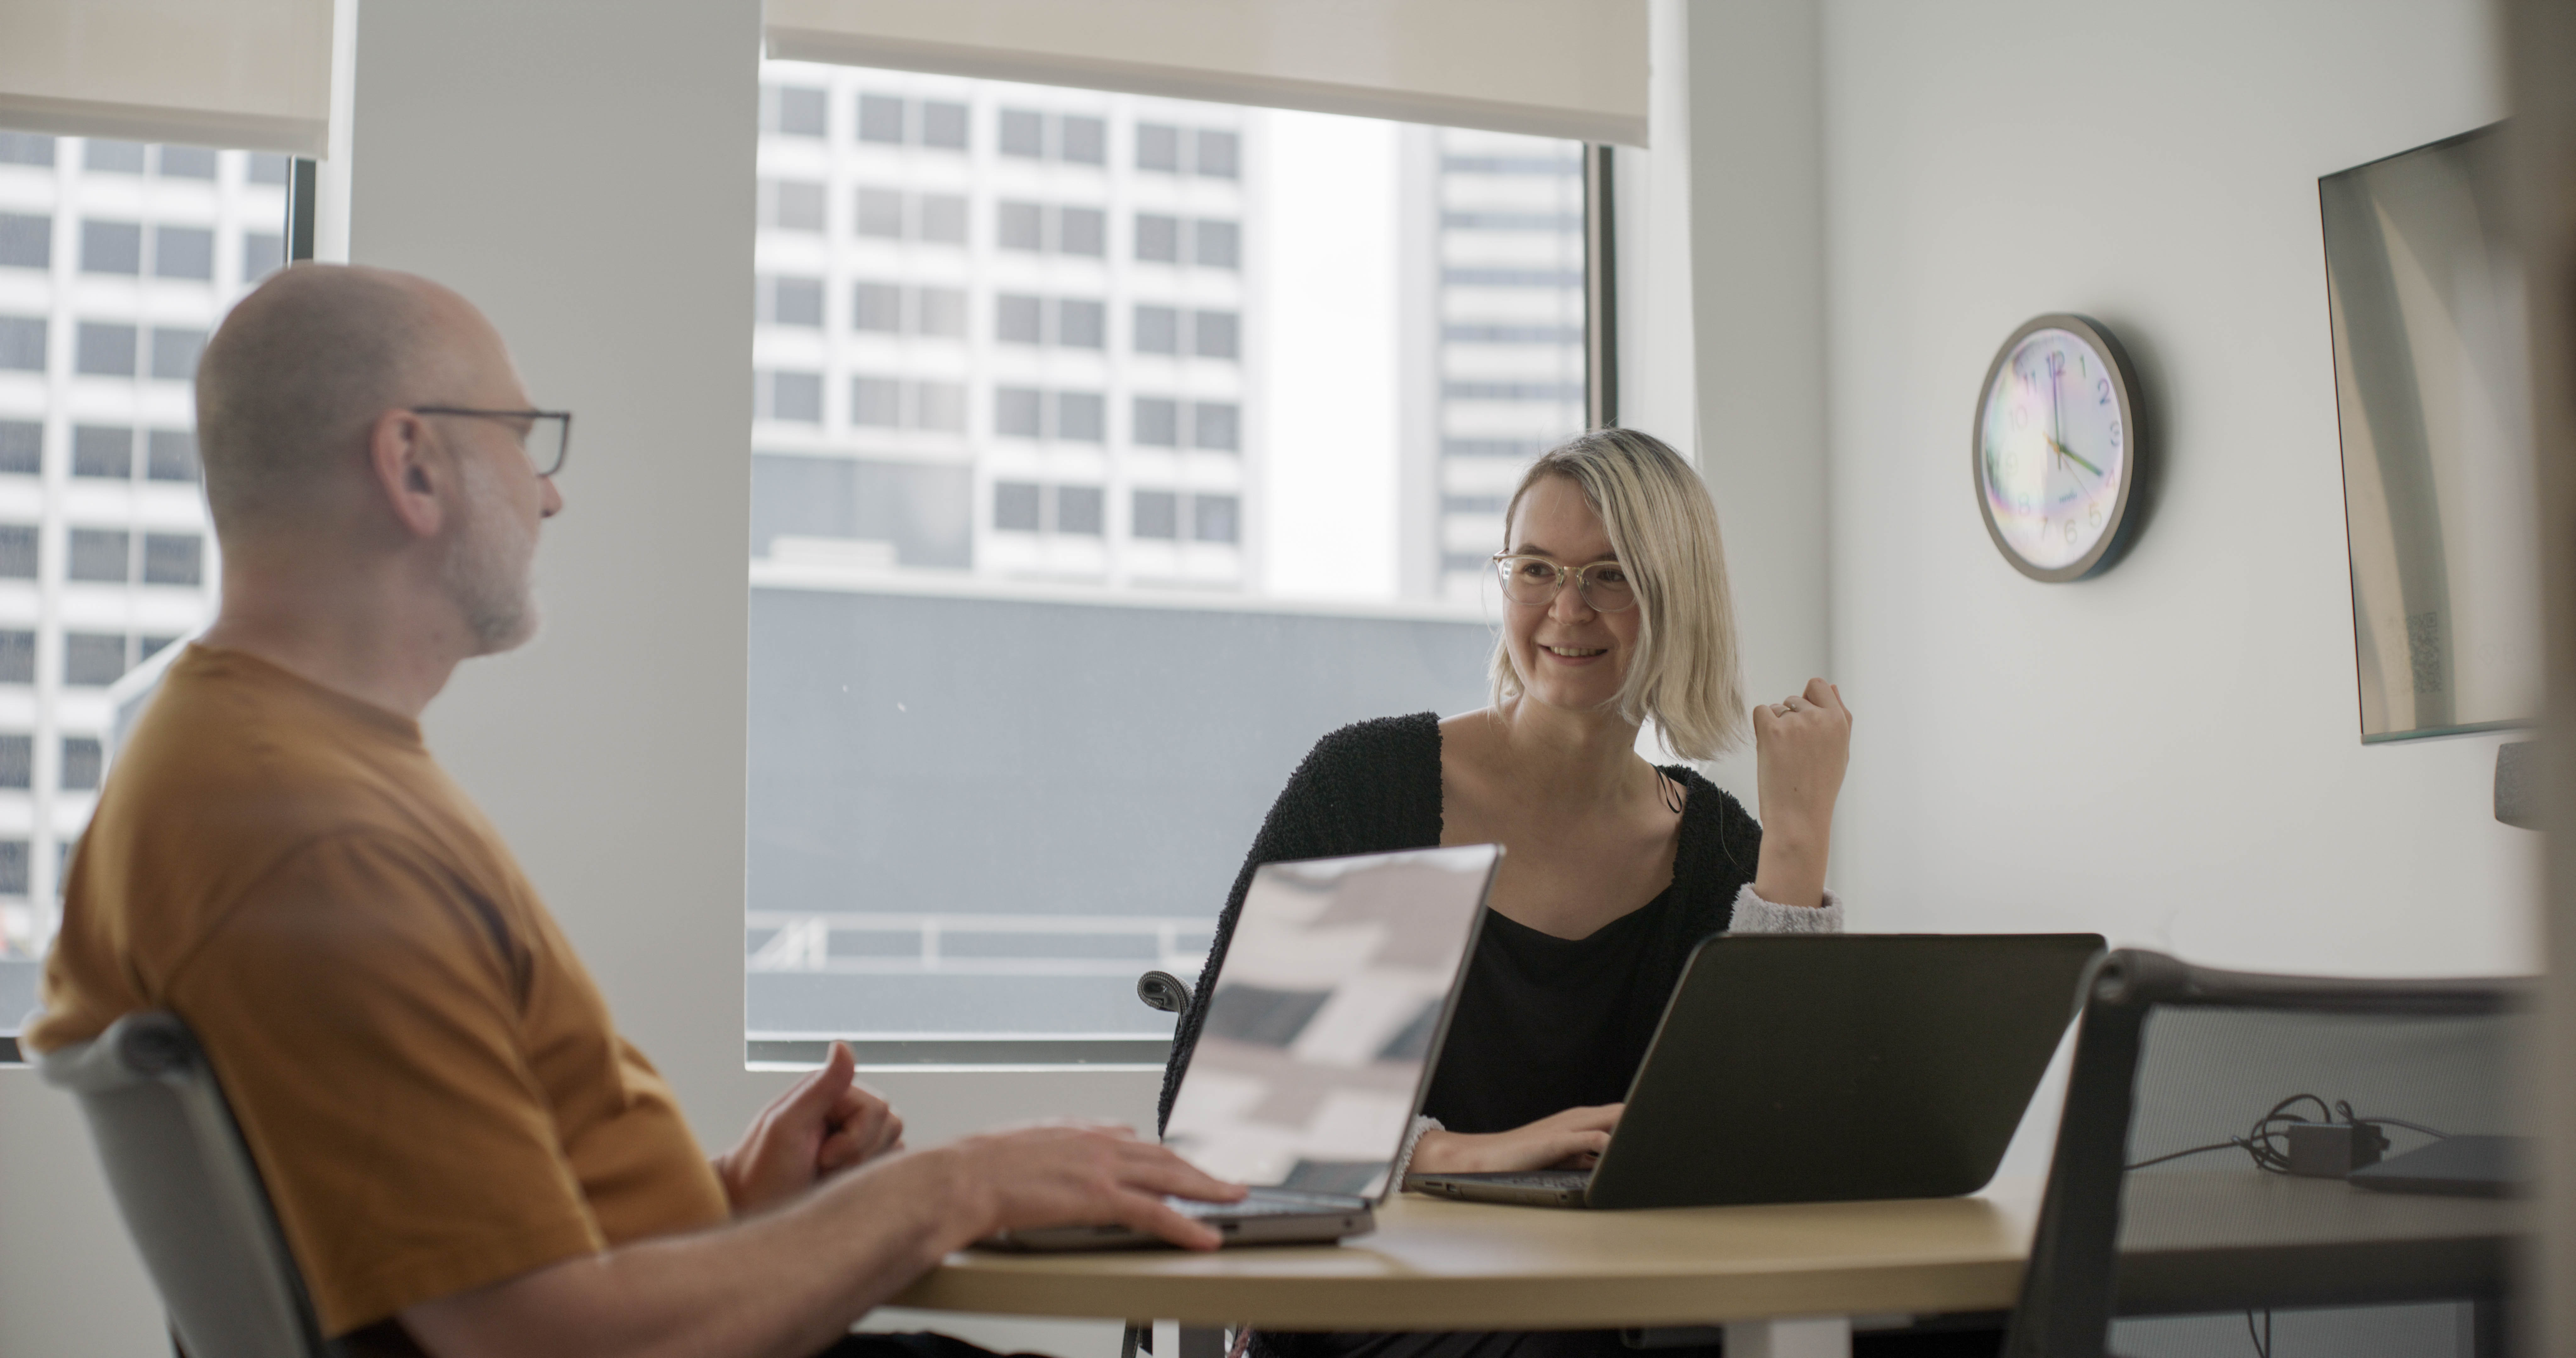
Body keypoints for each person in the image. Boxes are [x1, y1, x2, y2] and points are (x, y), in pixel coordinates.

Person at [25, 264, 1242, 1358]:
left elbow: (488, 1251)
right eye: (523, 439)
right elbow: (534, 1339)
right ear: (413, 465)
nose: (550, 495)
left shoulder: (268, 769)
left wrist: (736, 1201)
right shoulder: (316, 839)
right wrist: (951, 1188)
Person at [1158, 428, 1852, 1358]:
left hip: (1607, 1306)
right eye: (1536, 569)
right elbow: (1212, 1116)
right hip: (1373, 1302)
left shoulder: (1718, 847)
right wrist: (1459, 1155)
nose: (1566, 608)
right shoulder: (1373, 788)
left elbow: (1769, 1139)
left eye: (1610, 575)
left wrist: (1798, 841)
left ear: (1676, 599)